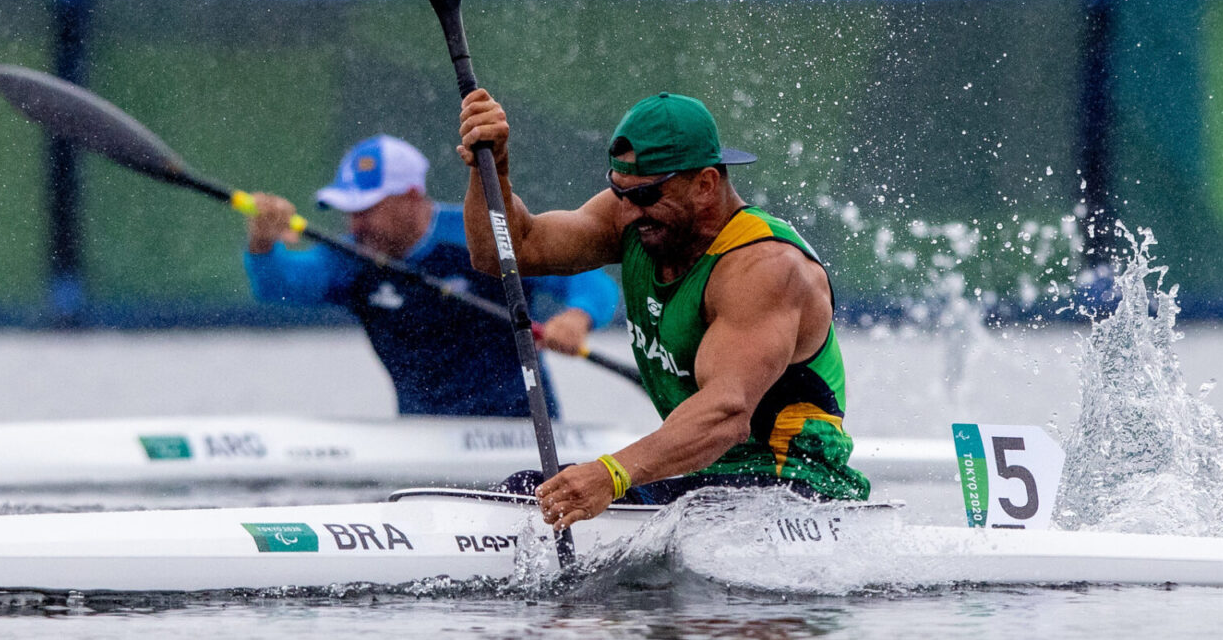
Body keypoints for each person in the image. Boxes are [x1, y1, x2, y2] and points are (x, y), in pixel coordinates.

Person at [457, 90, 869, 529]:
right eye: (620, 192)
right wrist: (492, 171)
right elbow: (507, 251)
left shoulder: (764, 269)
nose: (629, 212)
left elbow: (727, 416)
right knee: (528, 491)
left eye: (647, 195)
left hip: (795, 491)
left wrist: (610, 474)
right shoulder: (634, 214)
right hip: (698, 482)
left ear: (706, 183)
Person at [242, 134, 619, 419]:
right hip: (421, 438)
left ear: (410, 196)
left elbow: (592, 283)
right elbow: (280, 285)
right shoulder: (352, 259)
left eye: (366, 209)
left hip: (519, 432)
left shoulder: (477, 236)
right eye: (348, 210)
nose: (355, 224)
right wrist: (262, 242)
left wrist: (576, 317)